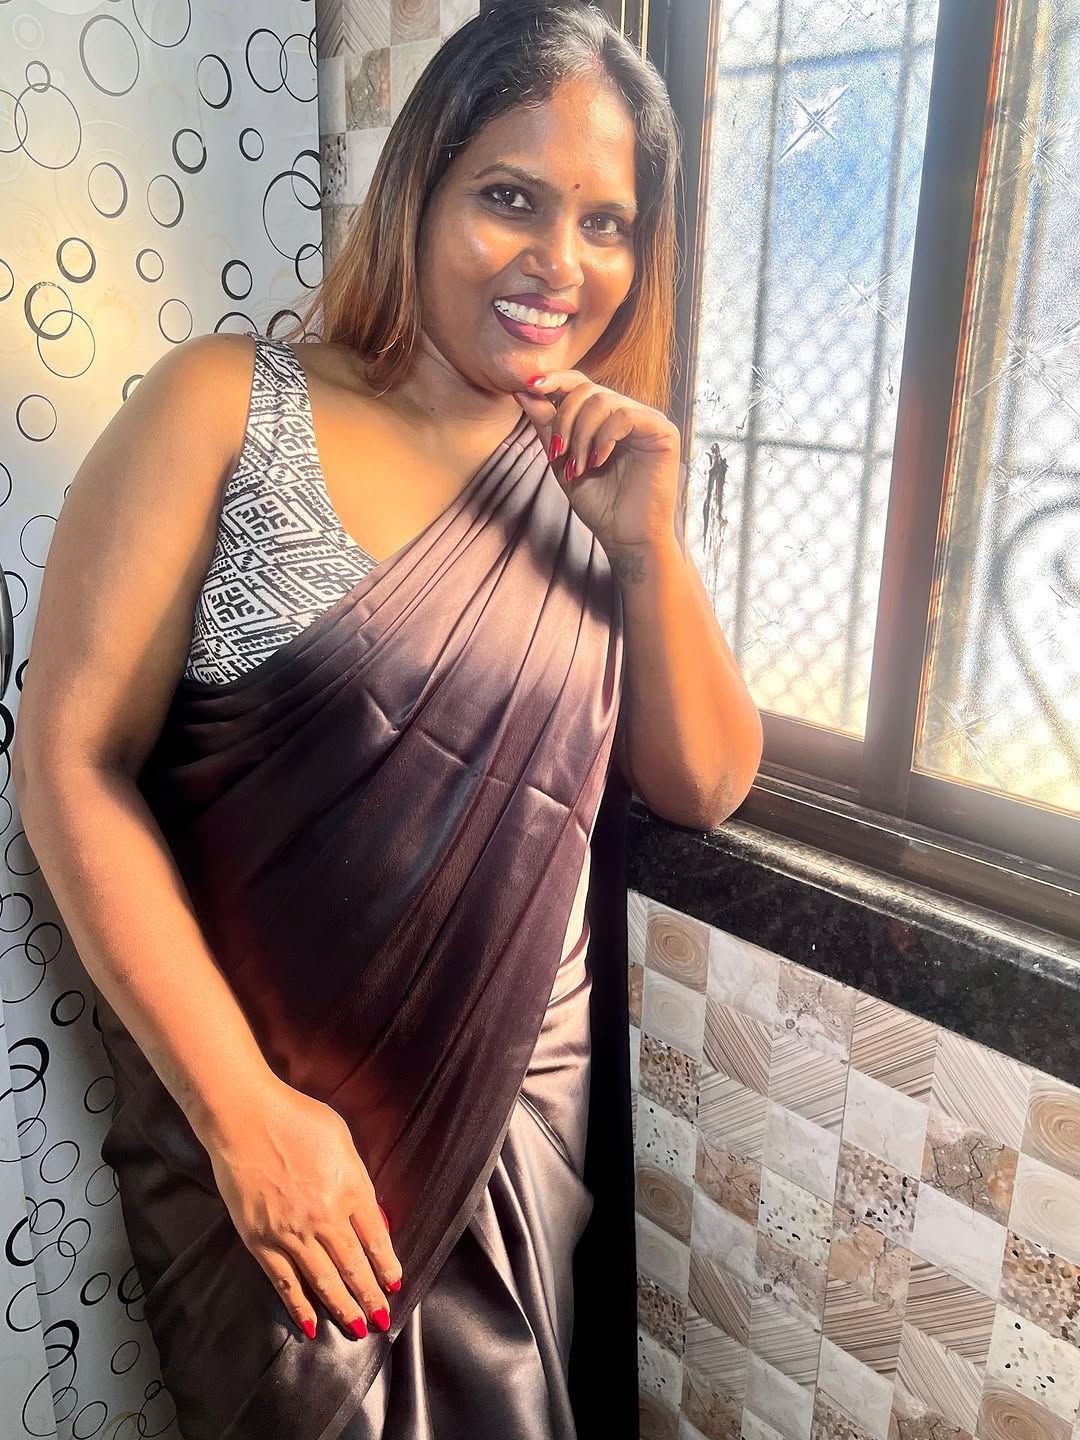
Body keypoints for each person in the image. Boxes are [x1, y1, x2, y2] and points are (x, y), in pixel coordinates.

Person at [12, 2, 762, 1436]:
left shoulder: (597, 472)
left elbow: (705, 781)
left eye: (607, 223)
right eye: (511, 198)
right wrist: (242, 1115)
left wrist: (648, 545)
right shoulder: (225, 405)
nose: (561, 263)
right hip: (264, 1140)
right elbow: (69, 764)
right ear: (418, 185)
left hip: (508, 1122)